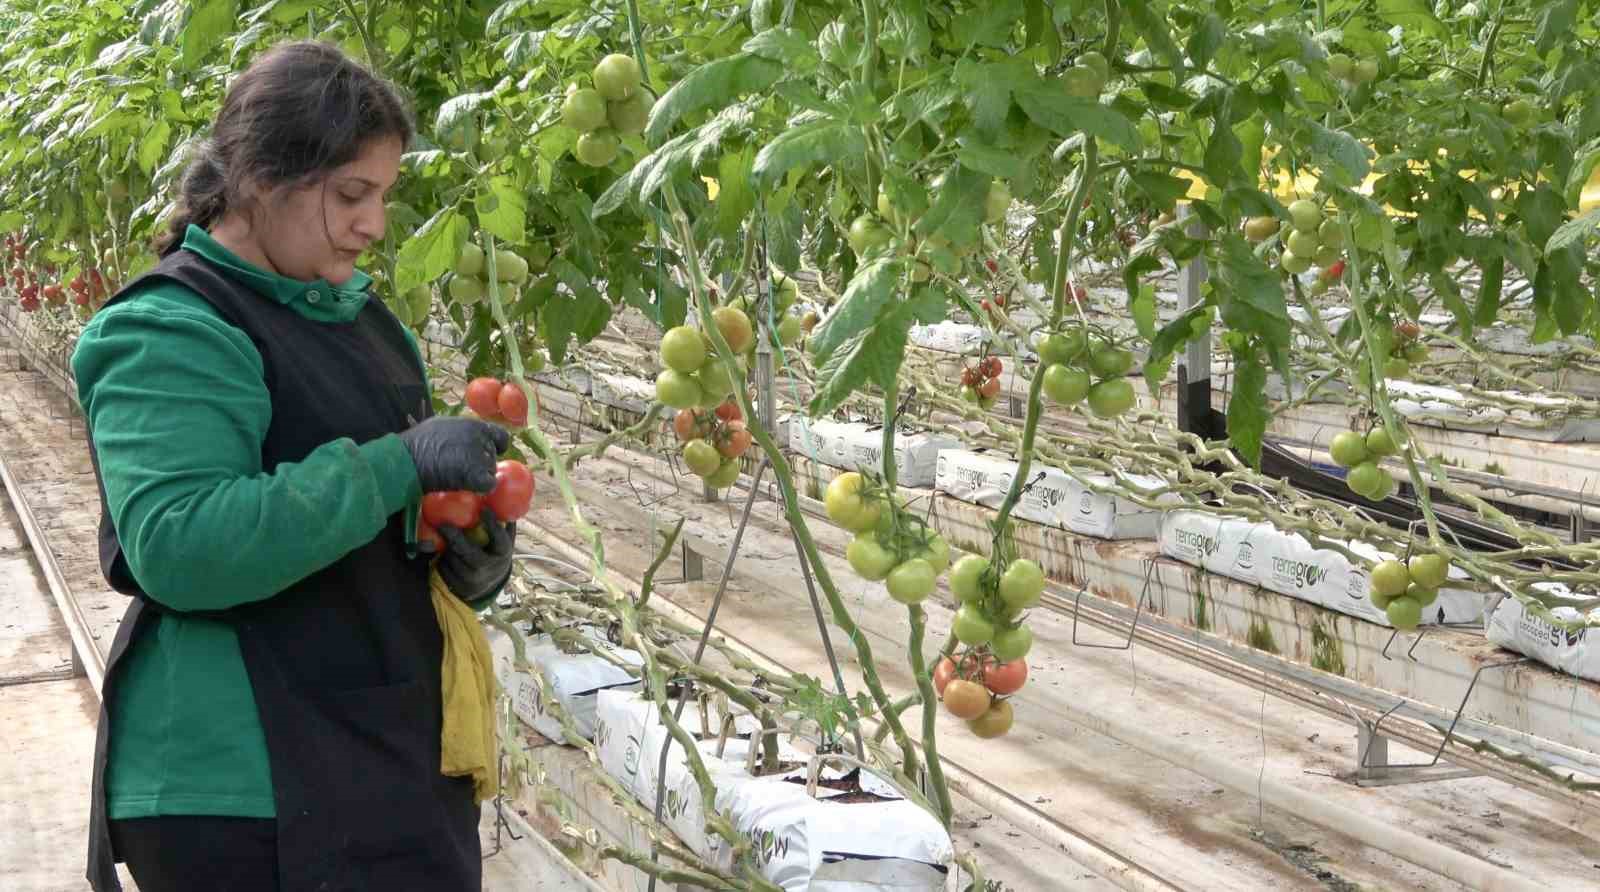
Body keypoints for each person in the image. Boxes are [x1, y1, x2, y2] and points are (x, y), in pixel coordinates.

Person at [75, 40, 518, 892]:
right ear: (263, 179)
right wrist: (396, 467)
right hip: (243, 790)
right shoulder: (171, 328)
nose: (374, 224)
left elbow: (381, 537)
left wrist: (462, 558)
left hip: (378, 753)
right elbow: (180, 543)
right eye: (353, 194)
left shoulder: (365, 324)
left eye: (382, 196)